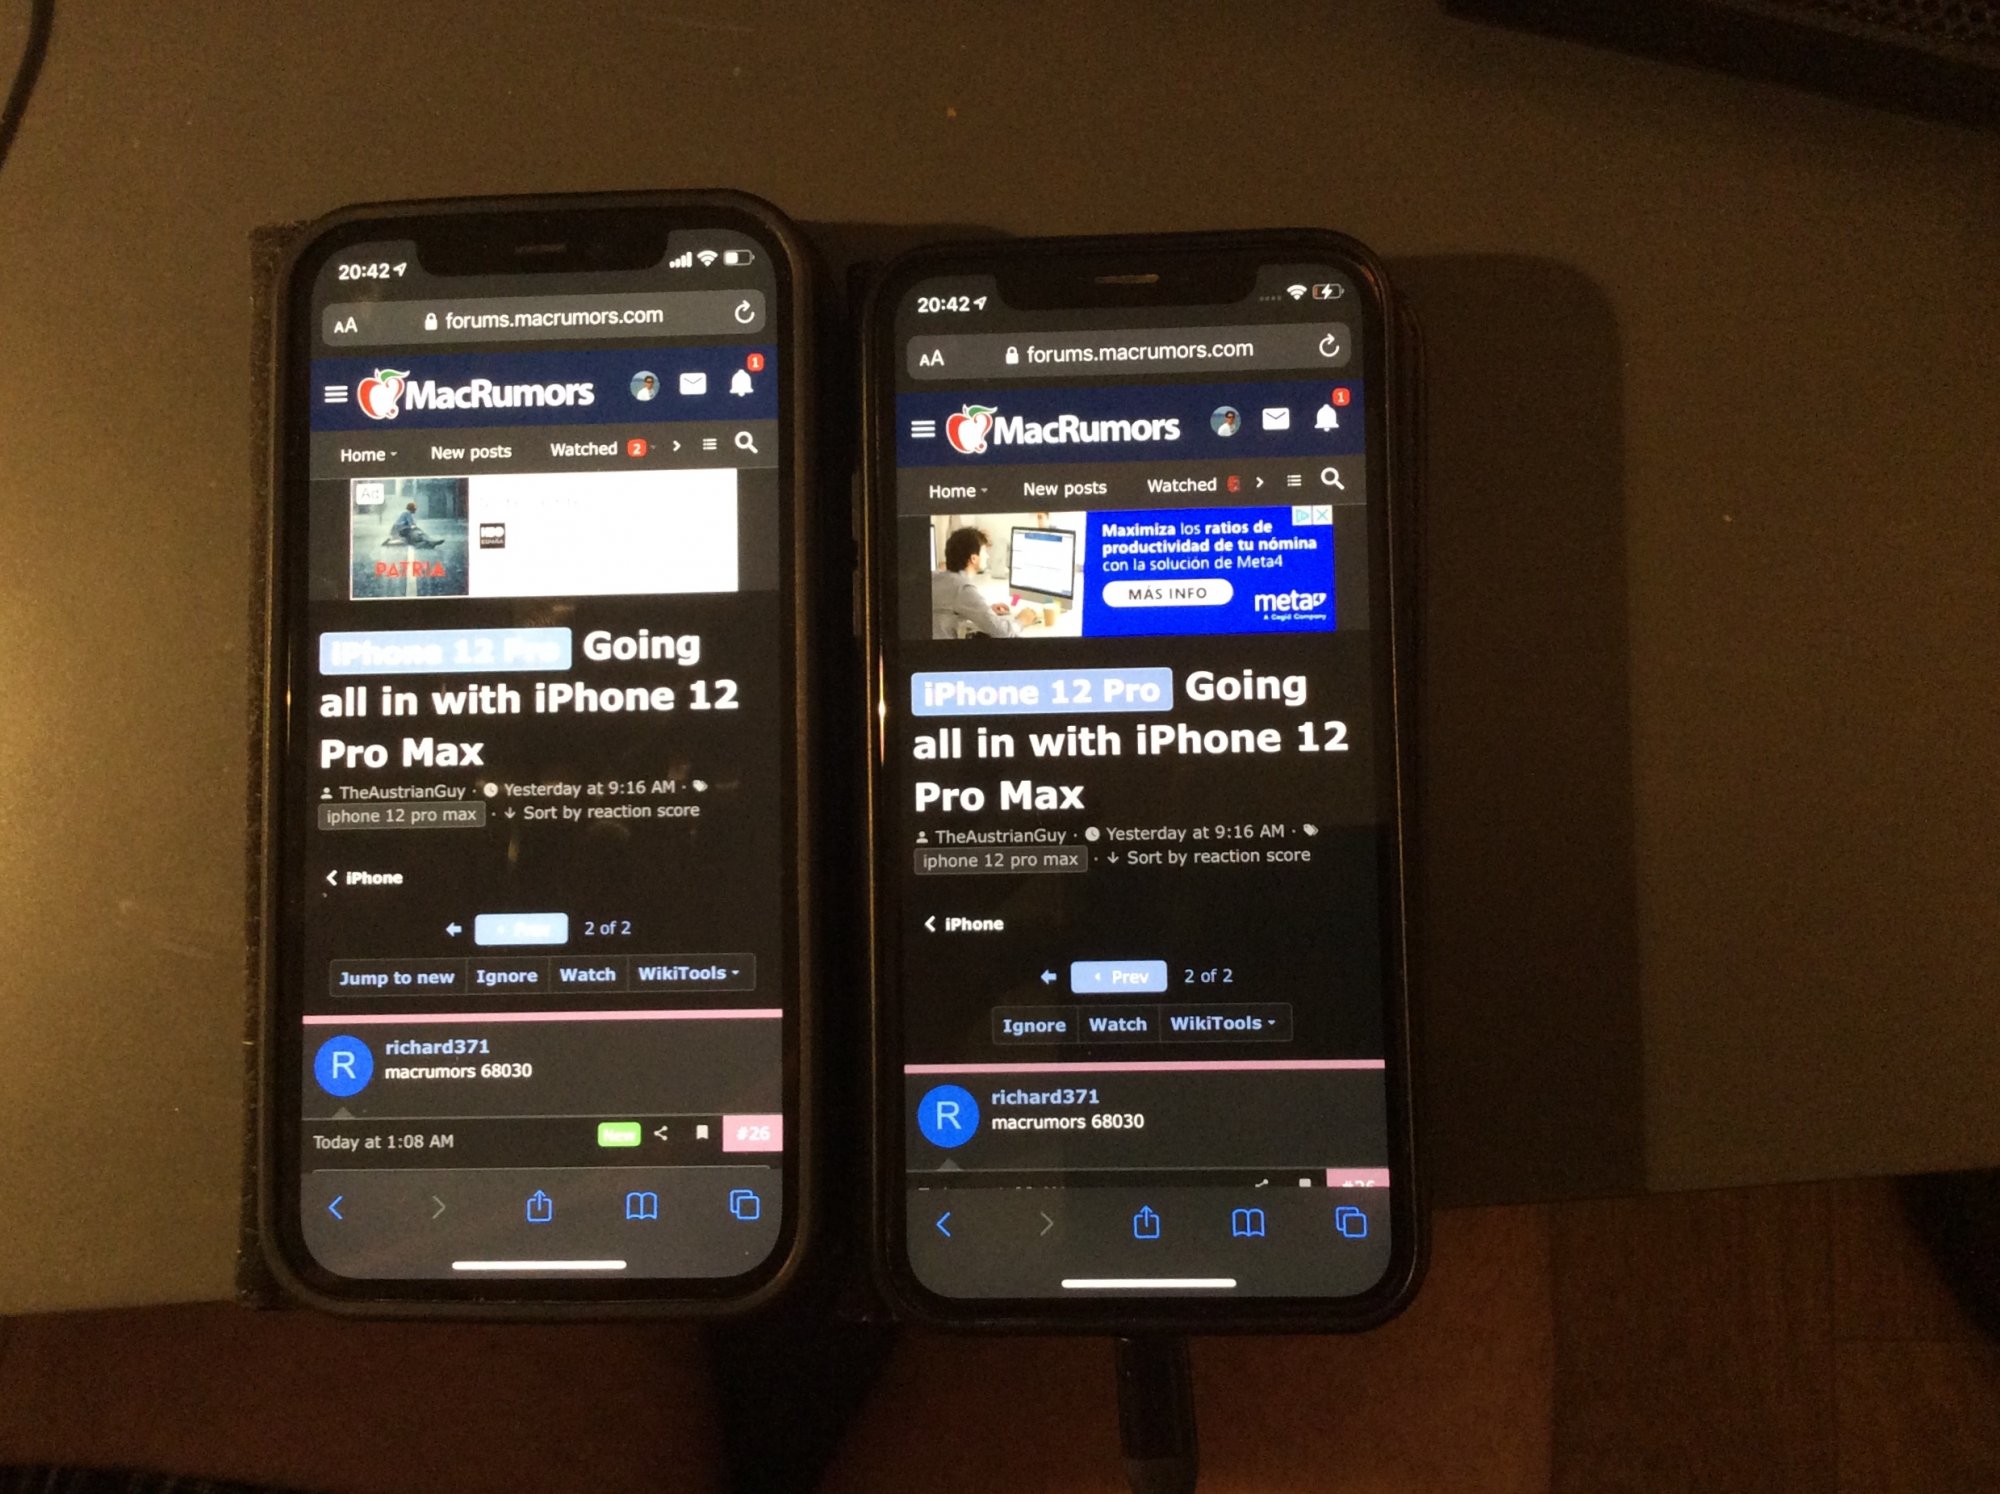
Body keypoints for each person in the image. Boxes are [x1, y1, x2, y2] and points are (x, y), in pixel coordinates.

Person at [932, 526, 1036, 639]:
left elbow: (953, 606)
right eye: (985, 551)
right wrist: (1022, 621)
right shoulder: (963, 589)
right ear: (974, 558)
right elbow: (1003, 632)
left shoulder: (937, 577)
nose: (988, 556)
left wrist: (985, 610)